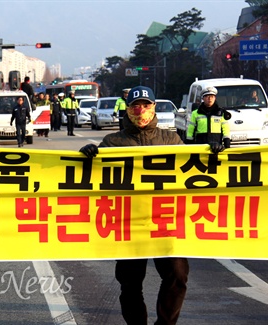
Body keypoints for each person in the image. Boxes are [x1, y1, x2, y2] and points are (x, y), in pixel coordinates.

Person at [79, 86, 189, 325]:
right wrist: (85, 159)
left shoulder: (171, 140)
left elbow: (192, 170)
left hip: (165, 221)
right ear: (127, 109)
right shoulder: (113, 142)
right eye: (135, 106)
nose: (141, 110)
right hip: (128, 223)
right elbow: (93, 180)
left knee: (178, 275)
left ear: (154, 107)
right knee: (130, 283)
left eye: (146, 105)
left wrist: (213, 154)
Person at [185, 86, 230, 153]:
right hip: (200, 146)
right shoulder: (195, 113)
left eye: (212, 96)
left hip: (217, 146)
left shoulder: (221, 113)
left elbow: (225, 129)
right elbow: (190, 130)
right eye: (207, 96)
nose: (210, 99)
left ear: (215, 98)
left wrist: (227, 143)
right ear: (203, 98)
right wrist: (189, 144)